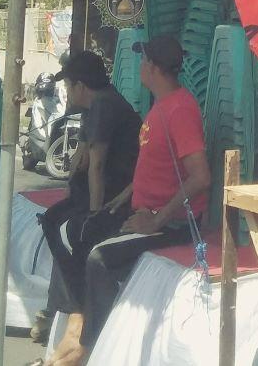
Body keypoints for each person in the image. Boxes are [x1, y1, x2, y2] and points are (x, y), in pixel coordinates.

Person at [40, 35, 209, 366]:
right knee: (78, 232)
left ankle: (91, 346)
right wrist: (114, 203)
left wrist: (158, 220)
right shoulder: (160, 106)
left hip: (171, 222)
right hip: (139, 208)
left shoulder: (180, 109)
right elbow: (149, 171)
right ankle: (74, 323)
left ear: (152, 67)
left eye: (143, 61)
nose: (140, 67)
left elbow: (201, 176)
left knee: (99, 257)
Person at [33, 50, 141, 344]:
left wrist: (93, 215)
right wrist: (70, 186)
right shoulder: (95, 105)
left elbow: (97, 165)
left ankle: (77, 310)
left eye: (68, 85)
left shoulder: (105, 105)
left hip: (112, 197)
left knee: (75, 234)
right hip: (93, 192)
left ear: (81, 86)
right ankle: (65, 308)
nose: (65, 91)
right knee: (52, 221)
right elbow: (81, 158)